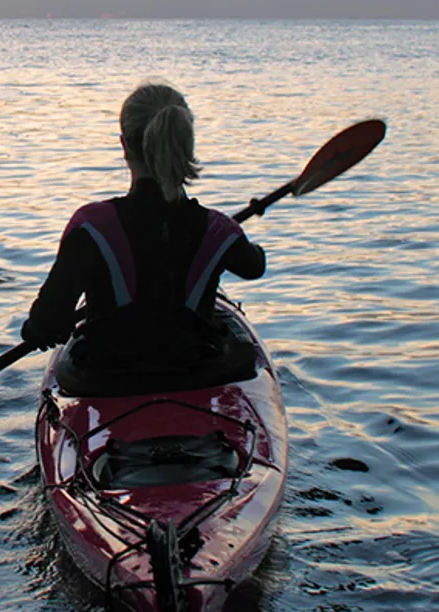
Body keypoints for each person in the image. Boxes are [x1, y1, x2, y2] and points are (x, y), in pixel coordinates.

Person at [20, 80, 265, 392]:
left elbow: (48, 322)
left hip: (107, 379)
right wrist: (235, 237)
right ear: (185, 145)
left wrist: (35, 331)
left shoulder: (91, 227)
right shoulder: (218, 230)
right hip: (197, 372)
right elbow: (255, 266)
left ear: (124, 146)